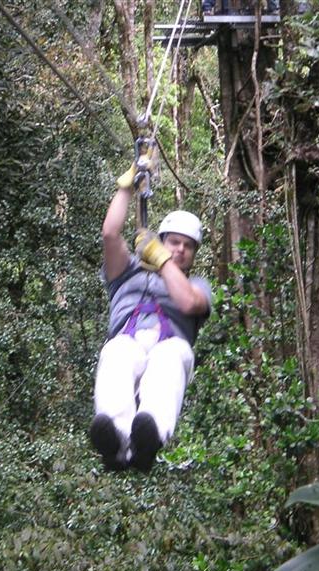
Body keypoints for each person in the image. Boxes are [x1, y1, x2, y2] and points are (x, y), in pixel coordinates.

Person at [90, 162, 212, 472]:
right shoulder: (125, 272)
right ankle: (115, 439)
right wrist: (126, 188)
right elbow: (109, 234)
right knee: (116, 352)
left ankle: (150, 434)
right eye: (174, 242)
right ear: (162, 238)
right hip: (129, 340)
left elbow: (187, 303)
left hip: (169, 343)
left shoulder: (197, 286)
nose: (180, 250)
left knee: (170, 356)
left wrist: (161, 259)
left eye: (187, 247)